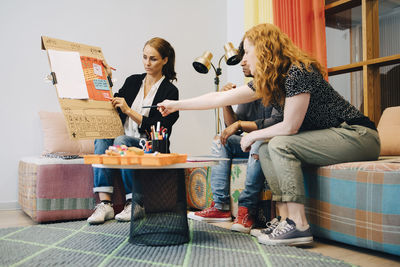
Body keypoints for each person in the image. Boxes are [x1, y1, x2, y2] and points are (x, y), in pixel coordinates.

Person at [157, 23, 380, 246]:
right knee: (265, 148)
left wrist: (253, 135)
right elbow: (219, 99)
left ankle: (299, 225)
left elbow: (290, 127)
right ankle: (283, 219)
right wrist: (176, 104)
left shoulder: (298, 71)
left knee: (279, 144)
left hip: (357, 134)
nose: (244, 58)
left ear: (264, 49)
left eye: (247, 51)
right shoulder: (272, 81)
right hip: (335, 136)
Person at [187, 41, 282, 234]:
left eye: (246, 56)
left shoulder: (276, 87)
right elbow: (233, 128)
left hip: (269, 143)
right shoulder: (248, 89)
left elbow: (275, 123)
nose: (242, 62)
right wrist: (226, 101)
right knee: (220, 140)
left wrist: (241, 126)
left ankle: (247, 210)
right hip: (250, 143)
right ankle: (220, 206)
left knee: (258, 142)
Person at [87, 37, 179, 225]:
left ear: (165, 60)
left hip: (150, 144)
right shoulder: (133, 81)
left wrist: (129, 110)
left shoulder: (171, 91)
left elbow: (159, 126)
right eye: (144, 57)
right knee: (104, 138)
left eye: (153, 58)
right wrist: (106, 80)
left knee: (121, 140)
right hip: (124, 138)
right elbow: (113, 104)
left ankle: (134, 203)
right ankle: (105, 204)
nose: (147, 63)